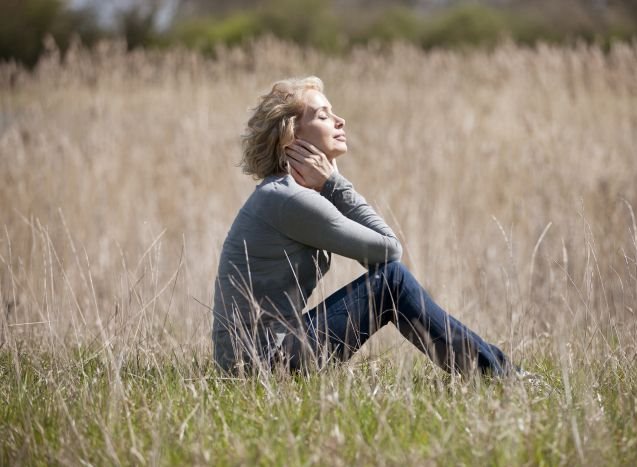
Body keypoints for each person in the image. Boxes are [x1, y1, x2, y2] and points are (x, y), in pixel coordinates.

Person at [212, 76, 514, 377]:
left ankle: (493, 368)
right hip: (262, 362)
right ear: (291, 137)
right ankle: (497, 374)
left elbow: (377, 256)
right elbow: (389, 251)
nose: (340, 121)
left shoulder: (281, 193)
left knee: (389, 279)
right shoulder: (290, 199)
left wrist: (330, 184)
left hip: (256, 356)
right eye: (323, 116)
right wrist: (334, 183)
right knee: (392, 280)